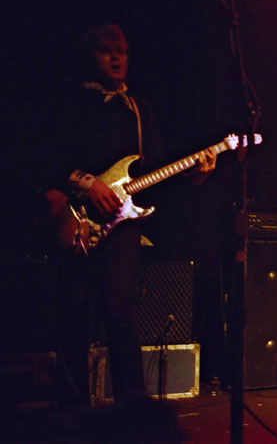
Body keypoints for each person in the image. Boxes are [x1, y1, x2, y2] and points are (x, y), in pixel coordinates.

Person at [40, 23, 216, 406]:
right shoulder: (72, 103)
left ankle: (132, 408)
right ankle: (71, 409)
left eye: (122, 49)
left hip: (123, 223)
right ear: (91, 56)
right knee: (74, 312)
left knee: (119, 310)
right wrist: (90, 186)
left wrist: (195, 175)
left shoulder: (139, 110)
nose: (117, 57)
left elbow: (154, 170)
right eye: (107, 50)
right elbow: (49, 160)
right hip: (78, 218)